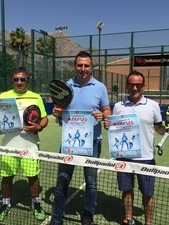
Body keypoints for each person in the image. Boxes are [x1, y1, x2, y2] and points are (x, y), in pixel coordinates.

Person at [104, 70, 169, 225]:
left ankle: (149, 222)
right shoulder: (118, 106)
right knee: (126, 190)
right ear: (127, 85)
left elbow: (159, 128)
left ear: (143, 86)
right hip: (124, 157)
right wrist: (107, 125)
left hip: (146, 159)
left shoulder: (153, 106)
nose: (134, 88)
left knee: (148, 193)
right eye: (131, 84)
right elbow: (114, 129)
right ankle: (128, 219)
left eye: (138, 85)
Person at [50, 51, 111, 225]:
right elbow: (58, 112)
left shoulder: (100, 87)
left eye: (86, 65)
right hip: (68, 144)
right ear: (75, 66)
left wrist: (103, 115)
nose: (83, 69)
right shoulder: (66, 86)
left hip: (93, 143)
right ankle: (57, 218)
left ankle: (87, 216)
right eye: (80, 65)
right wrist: (56, 113)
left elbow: (107, 110)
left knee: (91, 183)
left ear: (91, 67)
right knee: (62, 182)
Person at [0, 67, 48, 222]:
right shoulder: (3, 97)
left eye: (23, 79)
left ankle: (36, 204)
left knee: (32, 176)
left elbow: (44, 118)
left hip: (30, 146)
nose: (19, 82)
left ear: (28, 80)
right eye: (16, 79)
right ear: (12, 80)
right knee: (7, 177)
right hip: (9, 146)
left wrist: (39, 127)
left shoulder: (36, 97)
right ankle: (5, 204)